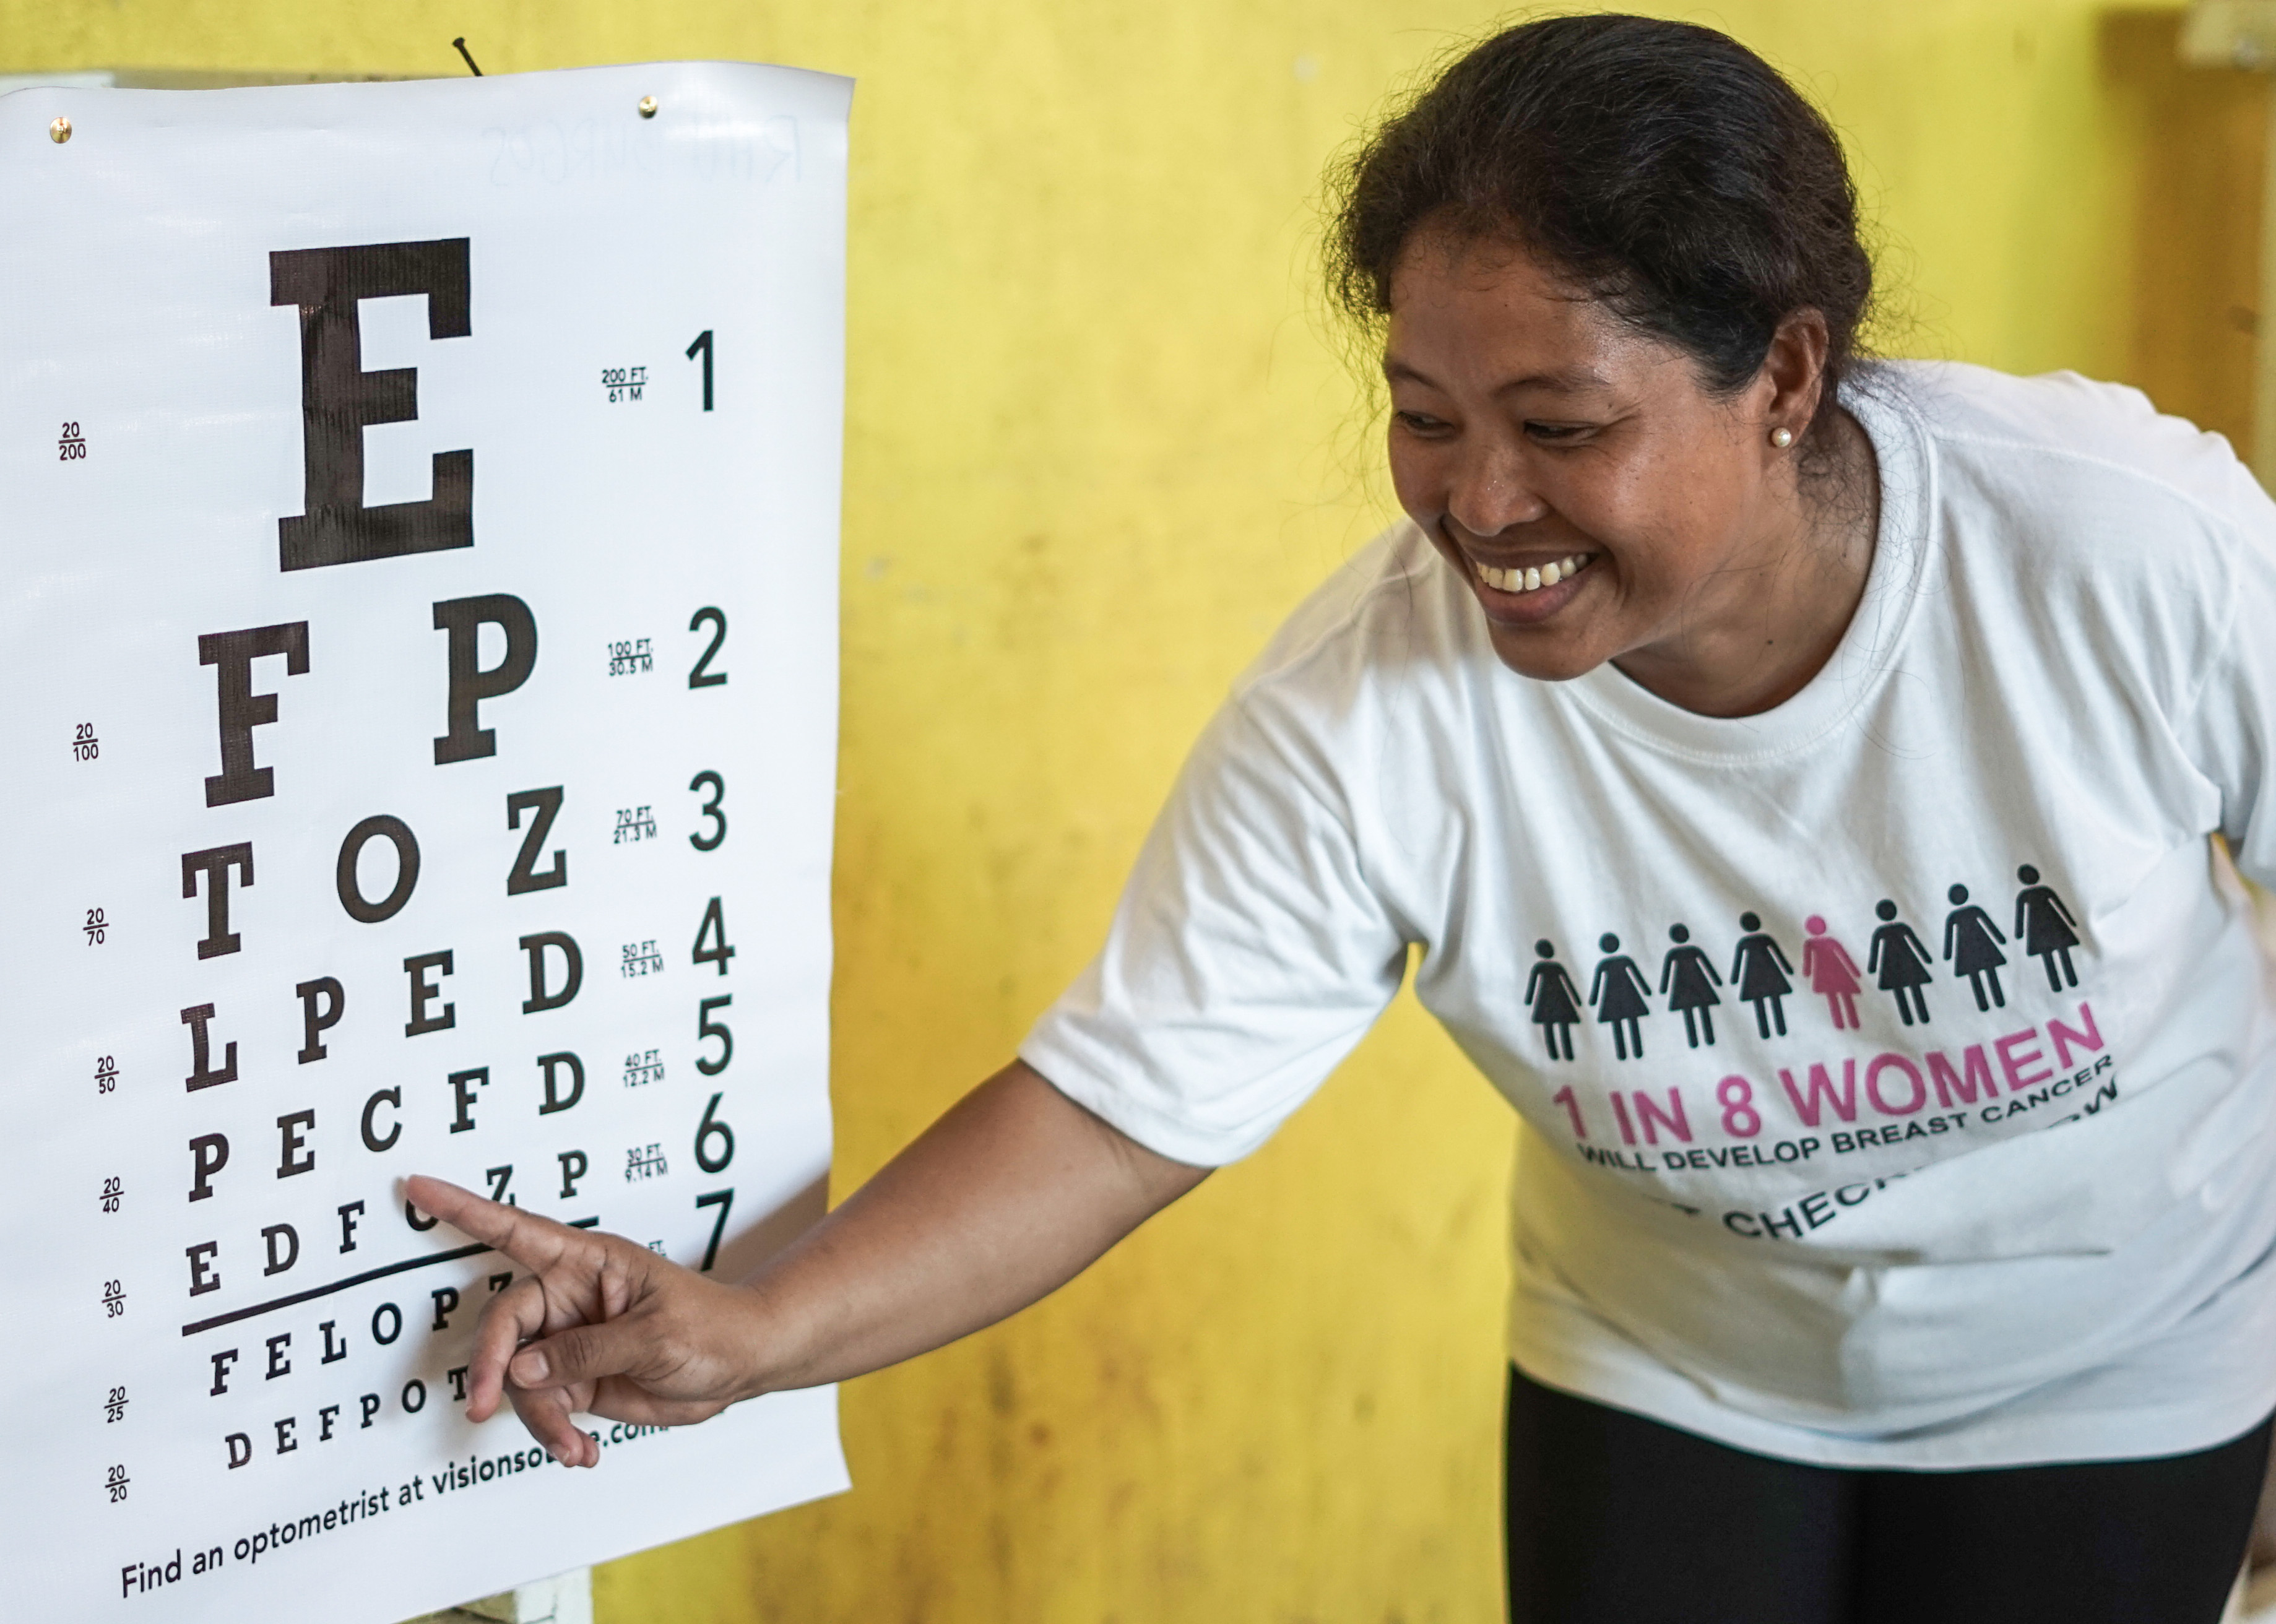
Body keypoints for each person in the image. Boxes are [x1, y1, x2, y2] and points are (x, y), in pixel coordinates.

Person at [409, 14, 2276, 1622]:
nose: (1478, 505)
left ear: (1783, 376)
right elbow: (1122, 1108)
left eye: (1560, 424)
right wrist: (750, 1333)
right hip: (1681, 1372)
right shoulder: (1375, 701)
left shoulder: (2115, 551)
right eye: (1426, 416)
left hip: (2116, 1353)